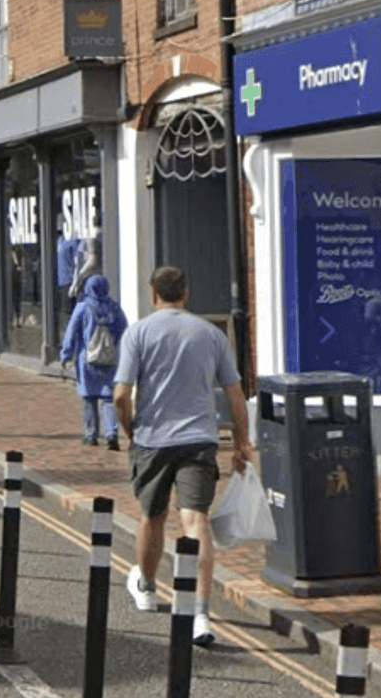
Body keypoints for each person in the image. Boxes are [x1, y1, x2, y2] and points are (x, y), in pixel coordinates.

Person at [113, 265, 252, 647]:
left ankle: (145, 586)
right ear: (185, 293)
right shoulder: (210, 334)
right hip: (198, 440)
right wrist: (243, 443)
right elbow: (236, 393)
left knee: (152, 516)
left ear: (152, 293)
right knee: (196, 522)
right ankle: (201, 614)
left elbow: (121, 396)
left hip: (152, 440)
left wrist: (130, 430)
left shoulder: (137, 333)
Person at [61, 274, 129, 449]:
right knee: (108, 398)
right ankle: (111, 433)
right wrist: (111, 341)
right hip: (109, 358)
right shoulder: (114, 307)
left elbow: (71, 332)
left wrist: (66, 354)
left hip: (87, 359)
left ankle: (91, 435)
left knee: (89, 397)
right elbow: (124, 328)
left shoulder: (83, 307)